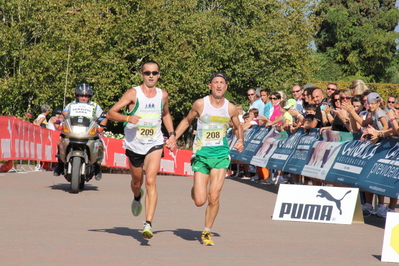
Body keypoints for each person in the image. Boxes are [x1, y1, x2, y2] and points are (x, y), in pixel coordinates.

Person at [107, 61, 176, 240]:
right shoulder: (133, 93)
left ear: (159, 75)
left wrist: (172, 134)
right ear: (142, 74)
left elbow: (166, 114)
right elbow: (111, 113)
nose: (151, 76)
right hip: (135, 144)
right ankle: (137, 197)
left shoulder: (163, 95)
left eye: (154, 73)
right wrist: (128, 117)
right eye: (147, 73)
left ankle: (148, 224)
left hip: (155, 142)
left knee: (151, 180)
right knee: (137, 183)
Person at [173, 72, 244, 246]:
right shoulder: (200, 104)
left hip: (220, 155)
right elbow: (187, 121)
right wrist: (174, 137)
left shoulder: (230, 108)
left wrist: (241, 140)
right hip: (201, 155)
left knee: (214, 196)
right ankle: (196, 190)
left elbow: (237, 126)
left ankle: (207, 231)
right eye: (215, 83)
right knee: (200, 200)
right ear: (210, 86)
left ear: (226, 87)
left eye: (222, 83)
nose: (219, 86)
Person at [53, 84, 108, 180]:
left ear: (89, 97)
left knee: (100, 143)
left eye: (86, 96)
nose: (83, 98)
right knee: (61, 141)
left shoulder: (95, 106)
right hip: (72, 130)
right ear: (77, 96)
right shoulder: (71, 105)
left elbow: (104, 117)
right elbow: (63, 115)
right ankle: (60, 164)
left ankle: (97, 167)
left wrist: (102, 127)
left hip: (89, 131)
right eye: (81, 95)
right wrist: (58, 123)